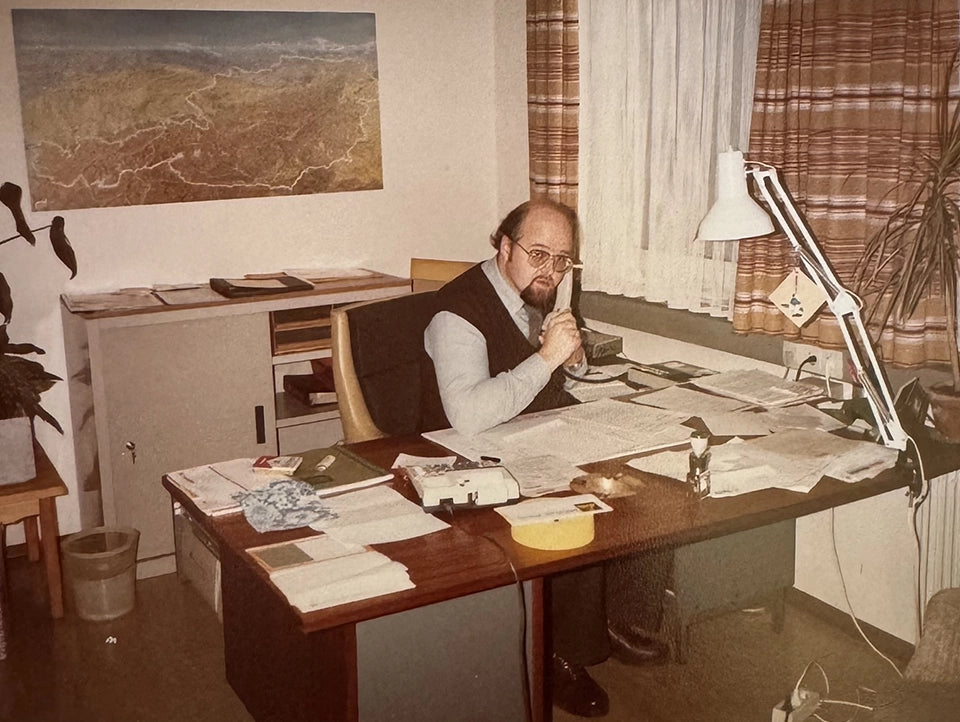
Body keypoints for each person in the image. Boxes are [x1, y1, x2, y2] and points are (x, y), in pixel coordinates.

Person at [422, 198, 667, 718]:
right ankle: (561, 655)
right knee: (570, 504)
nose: (551, 271)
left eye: (562, 260)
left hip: (531, 433)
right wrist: (547, 357)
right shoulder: (456, 313)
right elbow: (468, 415)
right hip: (466, 454)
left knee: (639, 475)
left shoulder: (537, 291)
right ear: (504, 248)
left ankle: (612, 619)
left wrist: (572, 360)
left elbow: (560, 373)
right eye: (538, 254)